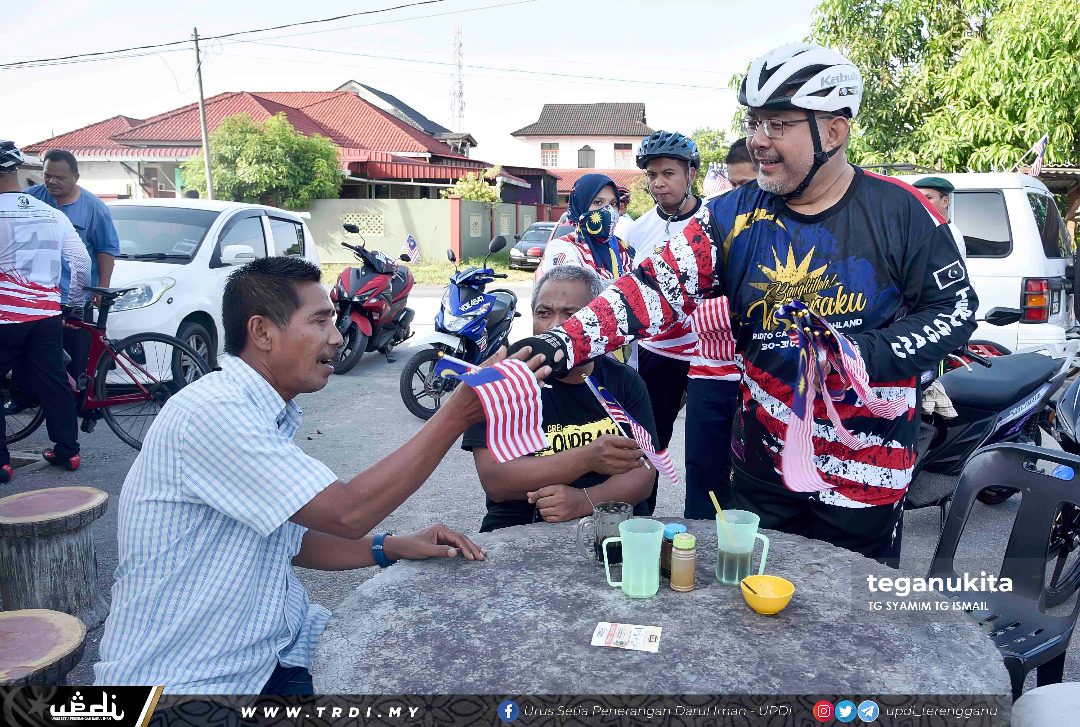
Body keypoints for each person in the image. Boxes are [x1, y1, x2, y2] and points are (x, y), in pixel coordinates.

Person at [511, 42, 976, 566]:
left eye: (778, 124)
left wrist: (858, 355)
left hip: (867, 469)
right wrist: (559, 343)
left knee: (850, 623)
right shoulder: (729, 216)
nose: (757, 141)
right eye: (754, 122)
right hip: (764, 463)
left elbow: (954, 312)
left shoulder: (903, 211)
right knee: (760, 605)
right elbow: (651, 289)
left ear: (834, 131)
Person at [94, 256, 550, 693]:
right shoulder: (213, 414)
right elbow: (347, 512)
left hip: (276, 650)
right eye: (319, 322)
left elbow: (288, 541)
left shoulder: (256, 411)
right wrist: (456, 413)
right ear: (262, 333)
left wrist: (394, 546)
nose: (336, 338)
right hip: (191, 682)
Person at [463, 265, 654, 531]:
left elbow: (644, 473)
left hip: (609, 518)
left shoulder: (624, 382)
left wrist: (583, 501)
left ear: (597, 322)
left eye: (571, 314)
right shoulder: (501, 381)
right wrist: (586, 458)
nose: (555, 326)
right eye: (544, 313)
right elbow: (496, 481)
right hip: (521, 523)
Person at [623, 130, 739, 516]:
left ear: (691, 173)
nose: (659, 183)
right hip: (657, 353)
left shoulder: (715, 221)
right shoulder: (638, 229)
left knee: (710, 449)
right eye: (652, 175)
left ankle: (707, 527)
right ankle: (639, 520)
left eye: (668, 173)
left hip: (709, 353)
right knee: (648, 440)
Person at [0, 140, 91, 482]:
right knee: (53, 381)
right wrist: (74, 304)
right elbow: (81, 263)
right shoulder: (51, 213)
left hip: (4, 316)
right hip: (47, 315)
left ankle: (2, 464)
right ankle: (68, 452)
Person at [683, 138, 755, 517]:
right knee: (703, 477)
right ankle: (693, 559)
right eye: (736, 185)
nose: (742, 196)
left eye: (751, 186)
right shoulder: (712, 224)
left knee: (757, 482)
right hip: (709, 378)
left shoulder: (786, 233)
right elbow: (680, 299)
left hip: (762, 381)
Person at [537, 173, 634, 280]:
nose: (609, 210)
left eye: (613, 203)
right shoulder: (563, 247)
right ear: (580, 206)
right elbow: (576, 289)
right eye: (598, 202)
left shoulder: (624, 250)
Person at [912, 176, 967, 259]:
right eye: (918, 198)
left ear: (945, 201)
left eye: (928, 198)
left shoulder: (949, 236)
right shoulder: (926, 230)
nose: (921, 203)